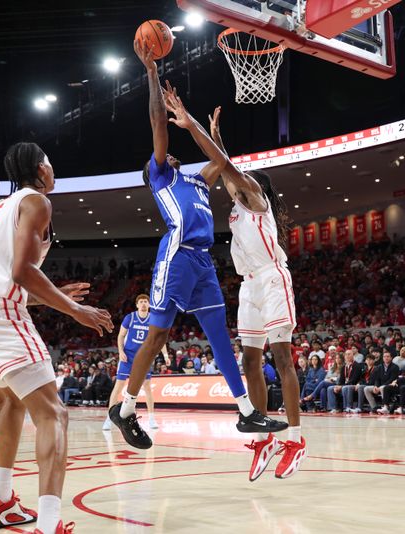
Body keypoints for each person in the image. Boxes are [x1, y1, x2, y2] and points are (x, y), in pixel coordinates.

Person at [109, 40, 287, 450]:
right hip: (175, 258)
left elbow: (223, 161)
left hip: (204, 263)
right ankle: (127, 407)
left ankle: (246, 413)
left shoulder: (196, 181)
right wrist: (151, 74)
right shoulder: (163, 177)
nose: (167, 156)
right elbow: (158, 124)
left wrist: (208, 130)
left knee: (221, 337)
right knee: (156, 336)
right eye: (160, 156)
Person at [0, 141, 113, 534]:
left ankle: (1, 501)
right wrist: (75, 310)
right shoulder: (36, 202)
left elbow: (0, 278)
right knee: (54, 413)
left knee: (12, 405)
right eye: (51, 166)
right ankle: (50, 524)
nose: (54, 173)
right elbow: (20, 272)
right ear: (41, 169)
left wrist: (48, 297)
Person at [102, 294, 168, 431]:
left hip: (145, 357)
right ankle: (108, 419)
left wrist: (166, 355)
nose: (143, 304)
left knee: (147, 388)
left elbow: (159, 339)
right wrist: (120, 352)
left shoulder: (153, 319)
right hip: (128, 356)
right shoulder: (130, 318)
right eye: (141, 302)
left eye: (145, 302)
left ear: (149, 305)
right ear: (137, 305)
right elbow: (121, 336)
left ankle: (151, 419)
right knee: (119, 387)